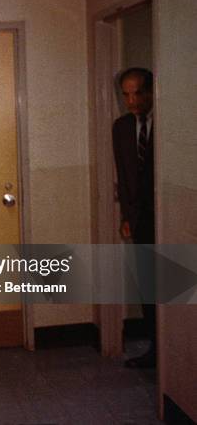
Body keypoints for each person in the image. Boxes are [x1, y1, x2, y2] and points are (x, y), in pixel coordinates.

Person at [112, 67, 155, 368]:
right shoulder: (122, 127)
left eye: (138, 92)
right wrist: (126, 216)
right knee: (149, 285)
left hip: (167, 217)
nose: (132, 101)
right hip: (140, 220)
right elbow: (124, 177)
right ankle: (156, 348)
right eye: (126, 94)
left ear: (151, 91)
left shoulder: (168, 122)